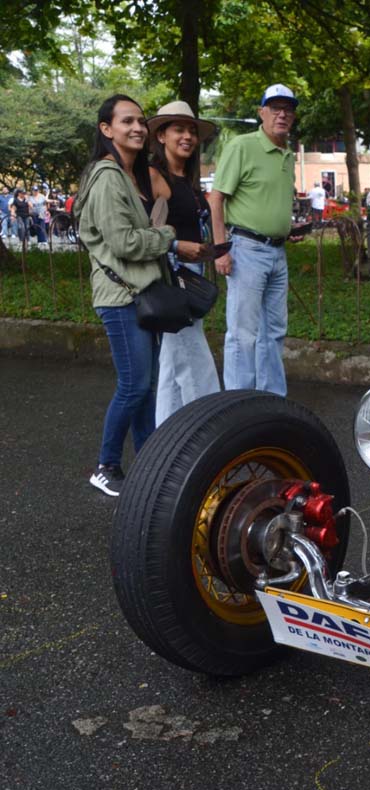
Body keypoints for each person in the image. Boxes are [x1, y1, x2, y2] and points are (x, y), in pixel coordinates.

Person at [76, 94, 210, 496]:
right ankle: (106, 465)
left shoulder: (128, 175)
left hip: (136, 293)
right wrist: (167, 236)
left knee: (146, 386)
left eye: (139, 121)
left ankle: (150, 464)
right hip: (118, 297)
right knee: (134, 386)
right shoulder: (107, 177)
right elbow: (124, 243)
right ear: (106, 129)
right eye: (126, 121)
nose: (136, 127)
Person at [208, 83, 300, 396]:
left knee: (273, 331)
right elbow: (216, 198)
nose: (282, 114)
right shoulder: (242, 146)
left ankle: (271, 398)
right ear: (262, 112)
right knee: (243, 334)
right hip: (246, 250)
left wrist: (285, 228)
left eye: (288, 109)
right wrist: (220, 249)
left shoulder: (288, 154)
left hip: (277, 252)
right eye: (275, 108)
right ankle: (239, 402)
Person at [147, 100, 222, 425]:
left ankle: (165, 433)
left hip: (192, 273)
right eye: (179, 129)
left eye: (192, 131)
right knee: (193, 359)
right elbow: (145, 232)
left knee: (172, 362)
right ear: (161, 135)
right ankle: (205, 426)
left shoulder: (186, 179)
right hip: (171, 277)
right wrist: (178, 247)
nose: (188, 137)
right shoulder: (154, 176)